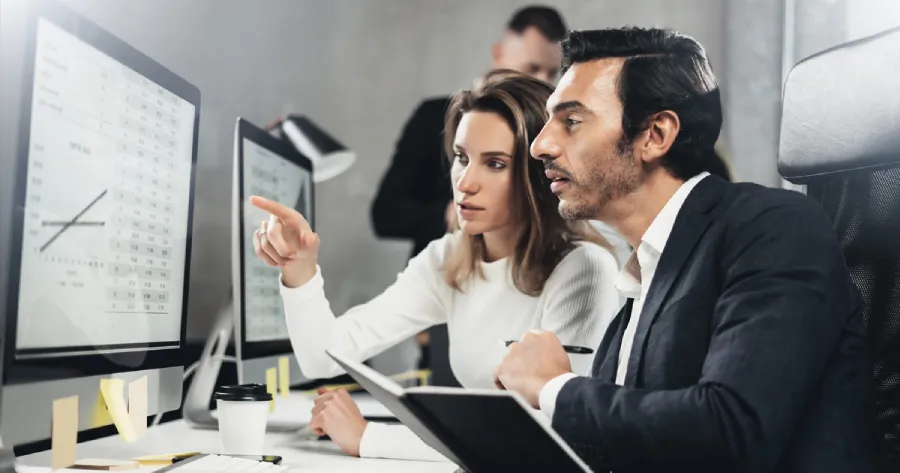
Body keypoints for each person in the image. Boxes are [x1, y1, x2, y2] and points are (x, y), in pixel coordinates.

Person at [495, 28, 872, 472]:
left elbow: (730, 430)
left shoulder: (775, 228)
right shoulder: (644, 276)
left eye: (571, 121)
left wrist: (553, 388)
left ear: (655, 134)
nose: (541, 145)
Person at [250, 72, 622, 462]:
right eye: (462, 158)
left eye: (495, 164)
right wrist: (299, 269)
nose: (465, 183)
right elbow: (323, 357)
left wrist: (368, 439)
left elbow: (551, 439)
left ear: (538, 174)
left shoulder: (584, 270)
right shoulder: (450, 258)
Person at [369, 5, 570, 383]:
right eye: (531, 69)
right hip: (446, 313)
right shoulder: (434, 118)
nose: (544, 82)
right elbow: (385, 213)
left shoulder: (550, 140)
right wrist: (459, 212)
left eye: (551, 73)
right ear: (499, 56)